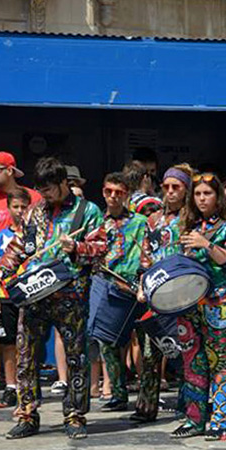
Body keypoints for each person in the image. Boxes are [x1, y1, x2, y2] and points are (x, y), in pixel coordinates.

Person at [0, 157, 103, 440]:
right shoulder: (36, 211)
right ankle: (27, 414)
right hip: (34, 294)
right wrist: (5, 266)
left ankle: (75, 415)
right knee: (26, 355)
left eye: (49, 189)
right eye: (41, 190)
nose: (45, 195)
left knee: (75, 356)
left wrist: (77, 247)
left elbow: (101, 248)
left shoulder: (88, 211)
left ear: (63, 183)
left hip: (70, 295)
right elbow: (21, 244)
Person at [170, 173, 226, 441]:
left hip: (221, 304)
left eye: (207, 194)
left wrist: (206, 244)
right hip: (188, 304)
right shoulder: (185, 227)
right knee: (192, 362)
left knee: (222, 363)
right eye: (198, 194)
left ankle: (221, 421)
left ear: (218, 197)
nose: (202, 199)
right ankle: (194, 419)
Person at [73, 172, 148, 413]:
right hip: (104, 283)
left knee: (140, 342)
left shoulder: (140, 222)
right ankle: (117, 392)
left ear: (126, 194)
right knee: (103, 339)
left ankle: (147, 395)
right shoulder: (96, 221)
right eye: (109, 192)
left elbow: (146, 255)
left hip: (133, 287)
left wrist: (142, 280)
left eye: (119, 192)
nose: (113, 197)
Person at [132, 165, 190, 424]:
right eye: (166, 187)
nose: (170, 192)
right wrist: (142, 286)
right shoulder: (153, 219)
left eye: (175, 187)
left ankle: (188, 405)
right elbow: (145, 257)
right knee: (150, 351)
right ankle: (146, 406)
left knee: (185, 352)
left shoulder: (192, 217)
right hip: (155, 293)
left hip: (184, 295)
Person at [0, 152, 39, 394]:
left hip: (28, 275)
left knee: (24, 333)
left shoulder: (34, 197)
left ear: (9, 170)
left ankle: (18, 381)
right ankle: (1, 378)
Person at [0, 186, 31, 408]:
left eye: (24, 206)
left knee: (28, 344)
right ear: (8, 209)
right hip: (6, 296)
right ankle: (10, 386)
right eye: (15, 207)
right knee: (8, 344)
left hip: (28, 294)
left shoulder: (34, 235)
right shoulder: (2, 238)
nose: (20, 211)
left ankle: (27, 389)